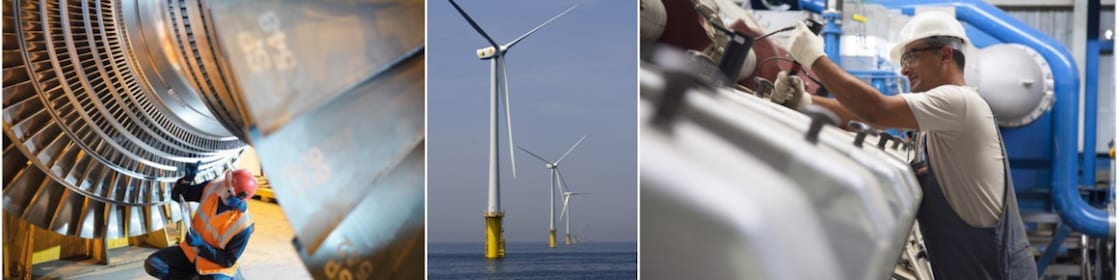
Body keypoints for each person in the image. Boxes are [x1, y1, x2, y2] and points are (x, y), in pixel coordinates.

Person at [772, 11, 1038, 279]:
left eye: (911, 56)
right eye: (903, 60)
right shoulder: (937, 122)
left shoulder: (959, 102)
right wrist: (806, 102)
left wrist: (815, 58)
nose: (904, 69)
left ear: (945, 54)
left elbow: (877, 111)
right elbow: (865, 117)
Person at [144, 164, 258, 280]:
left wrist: (201, 245)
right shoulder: (211, 188)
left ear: (233, 195)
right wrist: (186, 180)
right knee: (154, 264)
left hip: (214, 266)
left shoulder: (243, 226)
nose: (221, 184)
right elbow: (177, 196)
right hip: (190, 253)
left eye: (226, 185)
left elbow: (227, 261)